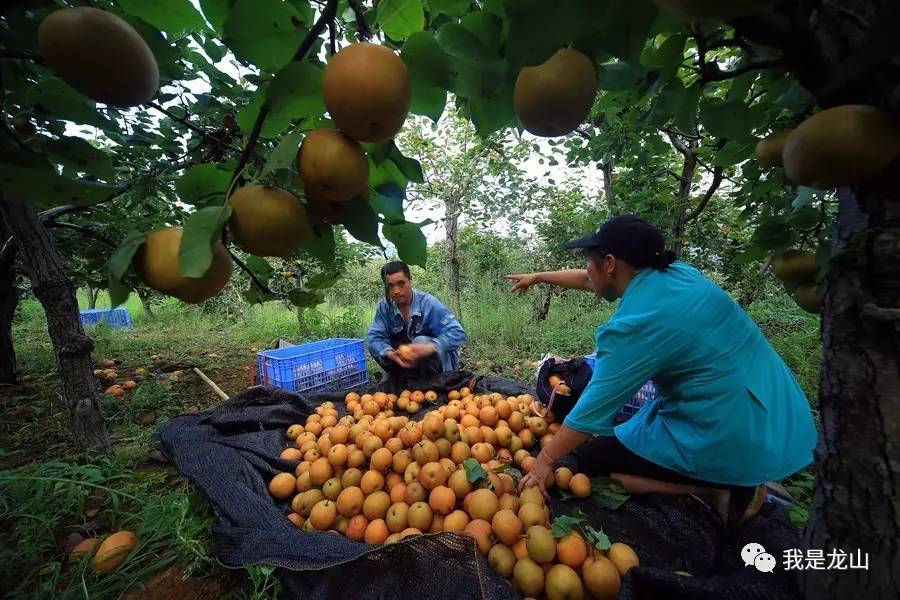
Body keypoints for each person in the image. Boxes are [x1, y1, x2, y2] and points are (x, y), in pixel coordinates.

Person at [506, 215, 817, 526]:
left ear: (610, 264)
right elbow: (590, 279)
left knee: (589, 463)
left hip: (728, 430)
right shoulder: (677, 276)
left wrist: (543, 462)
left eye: (590, 262)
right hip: (774, 409)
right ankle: (739, 476)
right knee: (626, 436)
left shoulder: (637, 325)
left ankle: (718, 488)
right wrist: (539, 277)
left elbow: (590, 412)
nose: (588, 270)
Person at [367, 261, 466, 385]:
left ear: (410, 280)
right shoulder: (385, 306)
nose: (396, 291)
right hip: (405, 362)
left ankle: (432, 382)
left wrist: (430, 347)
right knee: (377, 347)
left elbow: (458, 333)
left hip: (436, 364)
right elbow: (375, 338)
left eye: (401, 284)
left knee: (421, 341)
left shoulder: (428, 303)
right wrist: (390, 353)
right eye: (390, 286)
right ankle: (399, 377)